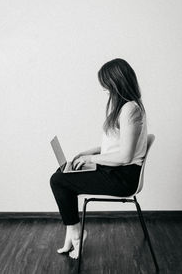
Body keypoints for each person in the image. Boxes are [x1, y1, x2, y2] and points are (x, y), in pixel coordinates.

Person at [50, 58, 147, 259]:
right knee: (63, 175)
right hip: (114, 170)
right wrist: (89, 153)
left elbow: (125, 156)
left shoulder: (130, 109)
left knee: (59, 180)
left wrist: (92, 160)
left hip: (122, 178)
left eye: (106, 84)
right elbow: (114, 146)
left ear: (117, 82)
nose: (104, 88)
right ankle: (72, 231)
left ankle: (76, 233)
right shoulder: (124, 107)